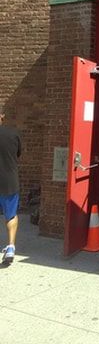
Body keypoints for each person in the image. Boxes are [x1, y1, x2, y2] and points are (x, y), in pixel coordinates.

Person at [0, 107, 21, 264]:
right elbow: (18, 154)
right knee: (11, 215)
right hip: (9, 181)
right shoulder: (13, 134)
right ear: (2, 116)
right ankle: (11, 247)